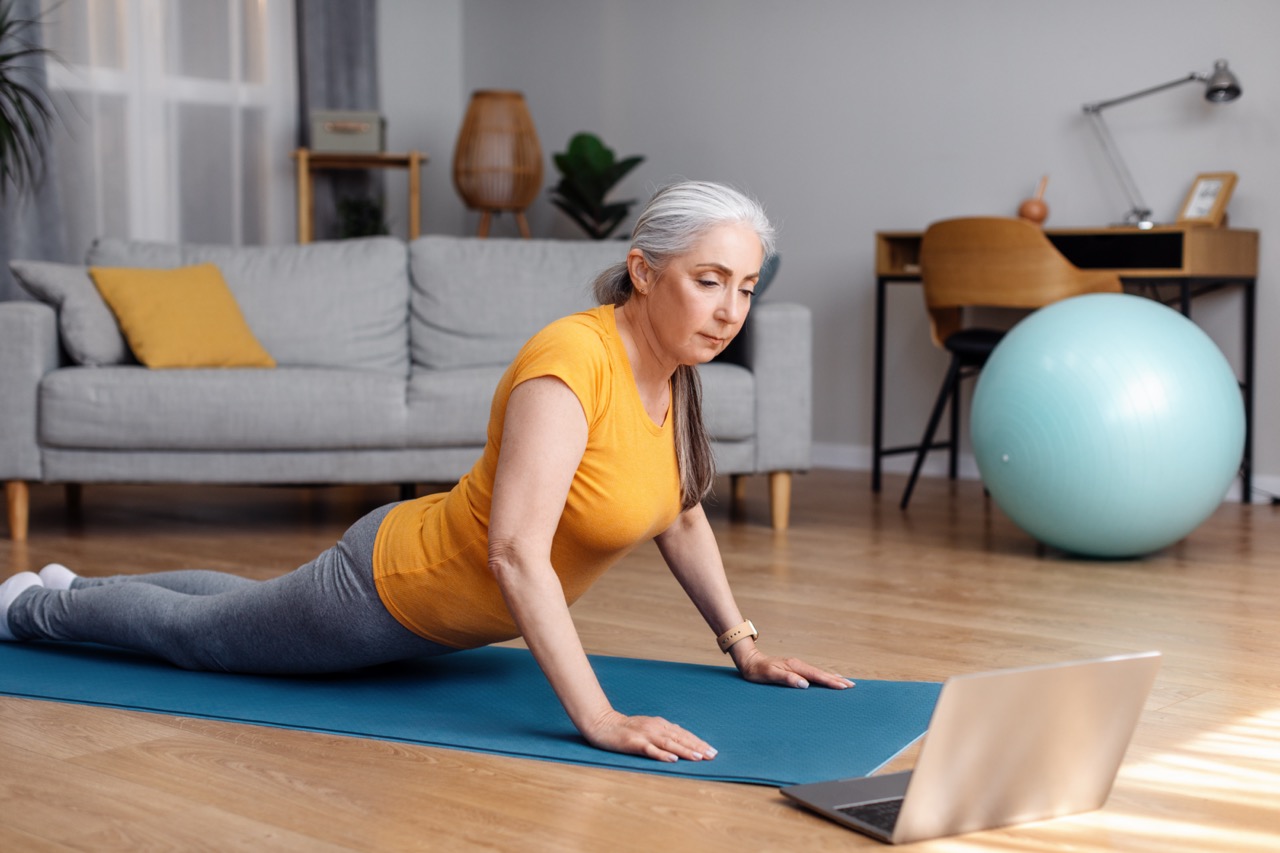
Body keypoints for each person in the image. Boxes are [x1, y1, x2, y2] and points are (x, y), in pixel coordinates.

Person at [0, 180, 852, 764]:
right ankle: (34, 606)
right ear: (643, 271)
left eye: (744, 288)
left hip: (432, 608)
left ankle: (76, 586)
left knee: (236, 605)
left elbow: (680, 514)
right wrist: (597, 717)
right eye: (709, 282)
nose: (730, 311)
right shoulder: (571, 362)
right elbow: (516, 552)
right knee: (208, 639)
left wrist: (743, 647)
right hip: (391, 589)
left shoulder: (673, 367)